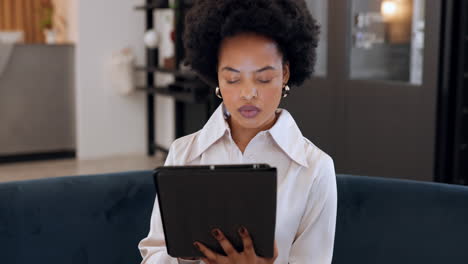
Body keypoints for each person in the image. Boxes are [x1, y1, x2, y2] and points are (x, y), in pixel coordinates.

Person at [138, 0, 337, 263]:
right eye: (232, 78)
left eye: (263, 78)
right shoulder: (184, 153)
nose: (248, 93)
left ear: (285, 73)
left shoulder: (315, 168)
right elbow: (153, 255)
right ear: (216, 77)